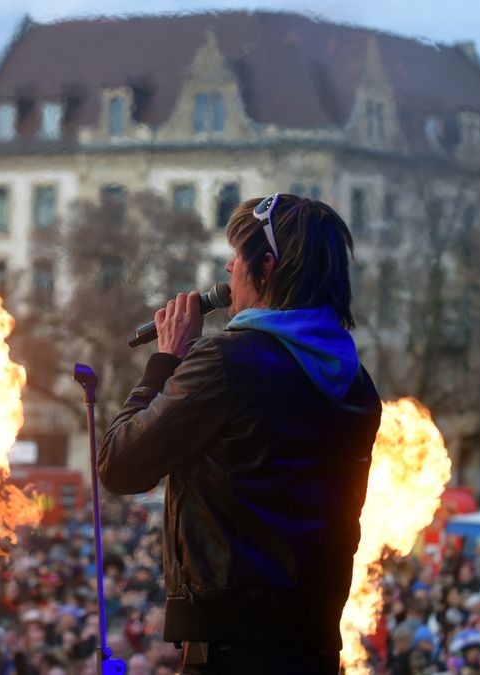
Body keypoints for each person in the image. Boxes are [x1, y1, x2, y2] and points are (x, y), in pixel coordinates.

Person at [98, 193, 382, 674]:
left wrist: (166, 360)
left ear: (266, 266)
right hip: (313, 645)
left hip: (229, 646)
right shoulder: (356, 382)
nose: (228, 270)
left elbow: (119, 465)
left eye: (237, 257)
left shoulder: (230, 362)